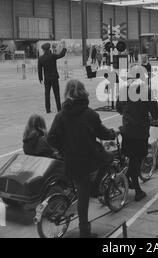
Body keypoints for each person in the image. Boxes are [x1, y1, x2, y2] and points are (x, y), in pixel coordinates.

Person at [47, 80, 117, 238]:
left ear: (67, 94)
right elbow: (103, 133)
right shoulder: (90, 114)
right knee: (108, 159)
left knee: (82, 188)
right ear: (83, 93)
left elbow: (51, 139)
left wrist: (64, 149)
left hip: (71, 161)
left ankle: (92, 189)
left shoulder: (60, 116)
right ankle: (85, 232)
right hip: (89, 160)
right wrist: (113, 133)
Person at [116, 69, 158, 202]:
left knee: (132, 157)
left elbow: (118, 108)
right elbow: (155, 111)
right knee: (137, 158)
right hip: (140, 131)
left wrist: (127, 113)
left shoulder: (124, 90)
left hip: (127, 130)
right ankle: (137, 190)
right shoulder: (146, 90)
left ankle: (129, 177)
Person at [38, 43, 67, 114]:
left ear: (43, 50)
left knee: (47, 94)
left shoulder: (41, 58)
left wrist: (40, 78)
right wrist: (64, 48)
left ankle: (48, 110)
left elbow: (39, 69)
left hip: (47, 79)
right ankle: (59, 109)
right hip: (54, 78)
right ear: (49, 48)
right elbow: (61, 55)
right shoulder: (53, 56)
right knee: (56, 94)